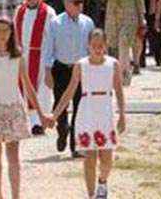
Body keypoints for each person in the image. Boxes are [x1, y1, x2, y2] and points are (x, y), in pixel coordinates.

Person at [0, 17, 51, 199]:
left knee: (13, 156)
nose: (2, 35)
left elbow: (28, 86)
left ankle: (16, 195)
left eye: (6, 31)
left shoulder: (18, 56)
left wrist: (41, 114)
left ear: (11, 33)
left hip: (13, 107)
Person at [50, 29, 126, 199]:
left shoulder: (113, 64)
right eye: (94, 46)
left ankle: (102, 181)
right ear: (88, 46)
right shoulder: (80, 65)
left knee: (107, 157)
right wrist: (54, 115)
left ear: (105, 46)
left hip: (106, 108)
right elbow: (69, 92)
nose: (97, 49)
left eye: (101, 46)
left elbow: (119, 91)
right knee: (89, 157)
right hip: (87, 110)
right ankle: (91, 194)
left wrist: (122, 115)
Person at [42, 0, 94, 158]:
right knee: (60, 104)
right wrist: (47, 71)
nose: (80, 5)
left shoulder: (88, 22)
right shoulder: (55, 23)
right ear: (67, 4)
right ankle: (62, 131)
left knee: (80, 107)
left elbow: (91, 47)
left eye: (81, 1)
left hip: (80, 69)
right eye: (76, 2)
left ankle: (76, 145)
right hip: (61, 68)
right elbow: (49, 48)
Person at [14, 0, 56, 135]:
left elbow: (52, 37)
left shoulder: (49, 12)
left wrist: (50, 59)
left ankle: (39, 121)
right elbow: (14, 32)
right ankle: (24, 120)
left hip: (41, 55)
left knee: (42, 90)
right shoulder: (19, 11)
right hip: (23, 54)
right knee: (23, 88)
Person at [100, 0, 146, 84]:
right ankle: (116, 73)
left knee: (124, 43)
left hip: (129, 16)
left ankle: (124, 74)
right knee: (112, 45)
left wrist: (142, 17)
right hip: (112, 16)